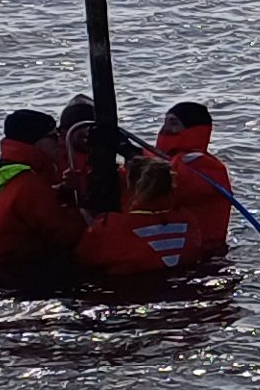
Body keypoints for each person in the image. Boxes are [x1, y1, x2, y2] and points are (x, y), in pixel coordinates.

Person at [0, 109, 85, 270]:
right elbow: (66, 234)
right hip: (15, 274)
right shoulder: (28, 183)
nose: (60, 142)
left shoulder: (5, 175)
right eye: (53, 137)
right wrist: (85, 212)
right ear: (36, 142)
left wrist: (61, 192)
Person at [77, 156, 197, 280]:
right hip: (179, 284)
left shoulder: (108, 227)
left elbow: (85, 258)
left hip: (126, 290)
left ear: (132, 189)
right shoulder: (188, 221)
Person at [152, 99, 234, 261]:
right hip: (172, 249)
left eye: (174, 123)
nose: (166, 130)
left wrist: (135, 154)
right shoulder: (164, 160)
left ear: (193, 130)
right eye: (165, 123)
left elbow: (177, 185)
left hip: (203, 255)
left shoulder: (208, 166)